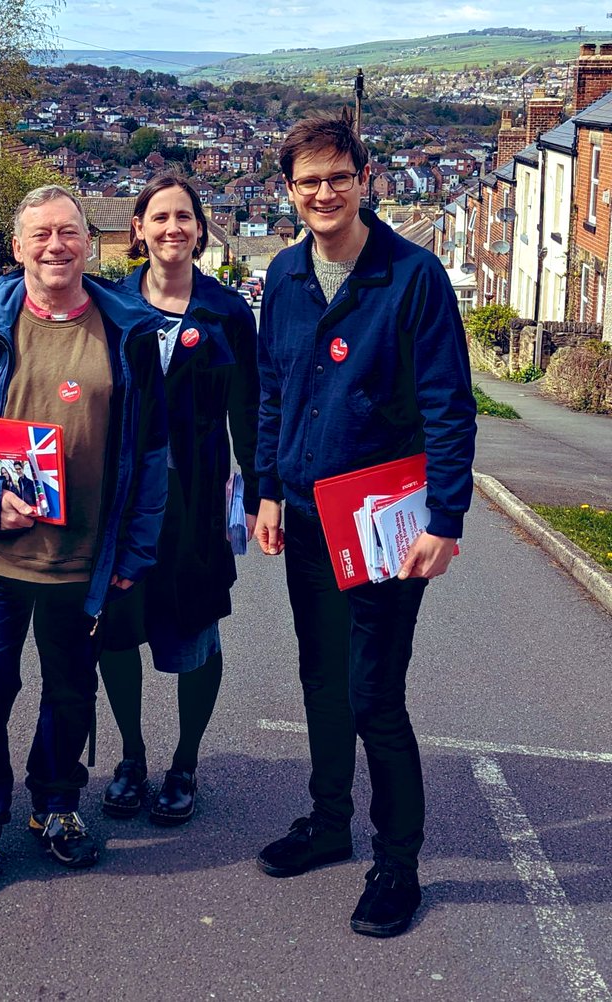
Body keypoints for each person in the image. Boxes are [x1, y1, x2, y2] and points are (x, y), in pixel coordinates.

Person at [253, 111, 476, 937]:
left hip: (384, 523)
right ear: (290, 190)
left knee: (374, 693)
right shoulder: (282, 275)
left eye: (337, 177)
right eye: (308, 181)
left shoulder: (411, 277)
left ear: (364, 180)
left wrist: (445, 518)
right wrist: (270, 488)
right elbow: (274, 386)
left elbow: (450, 406)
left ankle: (398, 864)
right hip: (307, 516)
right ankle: (327, 820)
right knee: (319, 677)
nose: (324, 193)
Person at [0, 184, 168, 910]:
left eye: (69, 233)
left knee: (69, 691)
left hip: (85, 558)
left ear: (91, 242)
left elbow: (153, 451)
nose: (56, 246)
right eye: (41, 235)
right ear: (18, 247)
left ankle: (56, 803)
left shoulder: (128, 329)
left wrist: (135, 552)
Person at [98, 174, 260, 827]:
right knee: (115, 631)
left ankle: (185, 762)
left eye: (184, 217)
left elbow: (250, 406)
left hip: (195, 500)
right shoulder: (108, 305)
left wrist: (259, 492)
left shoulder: (228, 311)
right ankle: (132, 757)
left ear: (200, 228)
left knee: (197, 629)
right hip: (121, 499)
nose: (172, 228)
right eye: (158, 217)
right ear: (138, 227)